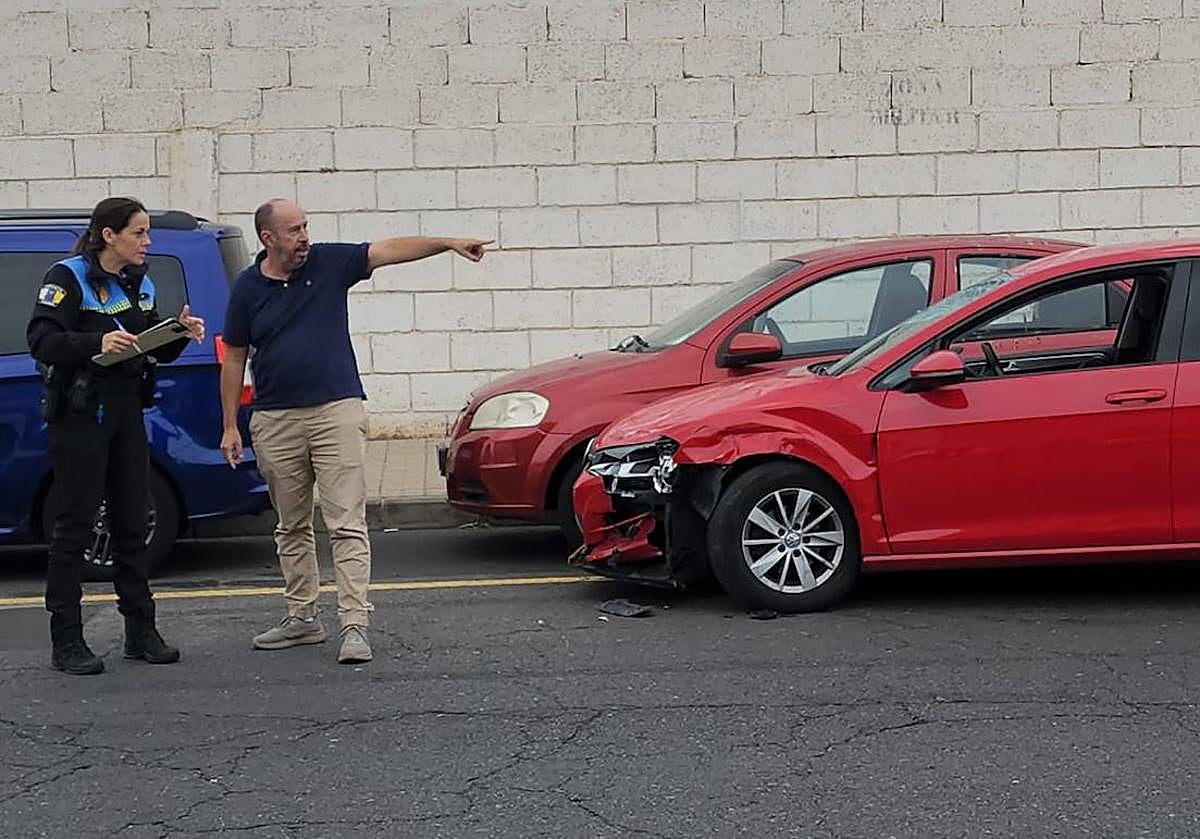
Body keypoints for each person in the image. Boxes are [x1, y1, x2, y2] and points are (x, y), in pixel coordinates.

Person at [220, 199, 490, 665]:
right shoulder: (247, 288)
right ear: (268, 239)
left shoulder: (329, 262)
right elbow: (234, 357)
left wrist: (446, 243)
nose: (304, 236)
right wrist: (229, 425)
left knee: (346, 522)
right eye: (293, 230)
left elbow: (388, 250)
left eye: (306, 226)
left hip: (336, 411)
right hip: (276, 418)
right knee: (291, 525)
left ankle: (354, 624)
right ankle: (302, 617)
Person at [27, 197, 206, 675]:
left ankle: (139, 630)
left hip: (127, 411)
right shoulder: (67, 277)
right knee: (74, 526)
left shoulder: (137, 283)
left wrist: (180, 334)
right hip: (82, 415)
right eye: (139, 233)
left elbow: (148, 346)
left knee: (131, 521)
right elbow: (41, 340)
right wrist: (94, 342)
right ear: (110, 235)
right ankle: (66, 640)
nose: (147, 242)